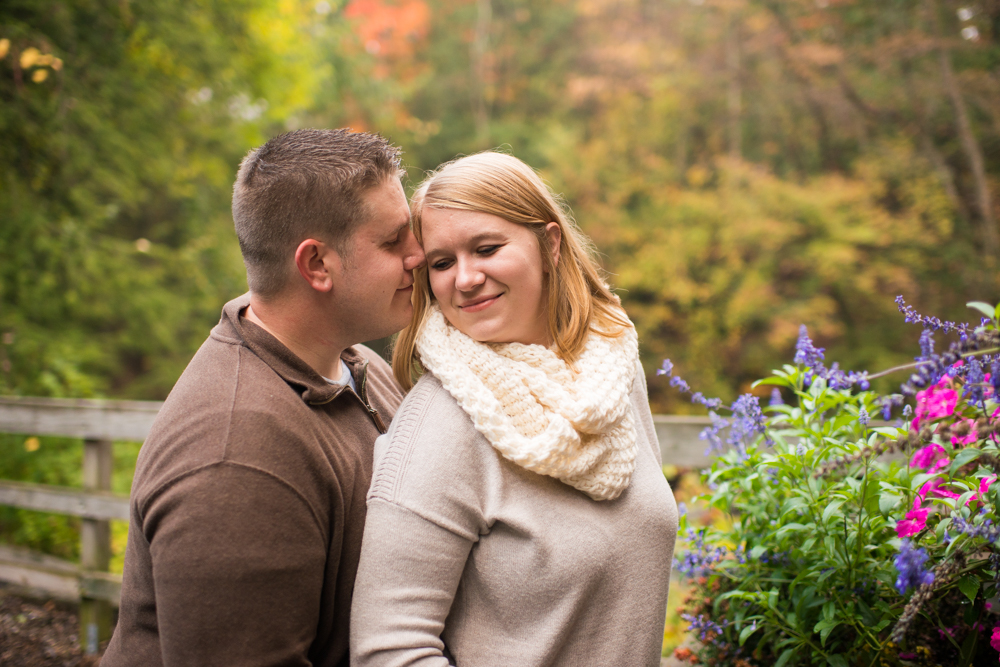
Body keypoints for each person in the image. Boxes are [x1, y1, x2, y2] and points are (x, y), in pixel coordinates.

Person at [102, 128, 425, 667]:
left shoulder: (360, 364)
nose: (420, 255)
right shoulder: (235, 456)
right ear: (317, 264)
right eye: (394, 242)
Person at [350, 151, 678, 667]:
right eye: (441, 262)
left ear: (549, 243)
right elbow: (389, 651)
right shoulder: (441, 426)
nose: (464, 278)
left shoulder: (611, 377)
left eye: (486, 249)